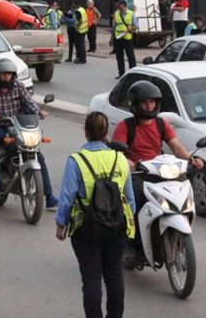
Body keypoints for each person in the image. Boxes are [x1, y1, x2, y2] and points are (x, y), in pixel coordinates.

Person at [111, 81, 204, 266]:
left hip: (159, 170)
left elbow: (176, 147)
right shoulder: (125, 126)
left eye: (153, 102)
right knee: (134, 201)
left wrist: (192, 160)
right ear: (135, 104)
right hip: (137, 173)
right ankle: (131, 243)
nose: (149, 106)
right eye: (145, 102)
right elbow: (118, 155)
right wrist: (131, 164)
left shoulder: (161, 124)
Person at [55, 111, 135, 318]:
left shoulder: (76, 160)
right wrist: (126, 224)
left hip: (86, 229)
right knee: (114, 276)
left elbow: (67, 197)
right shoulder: (120, 159)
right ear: (106, 131)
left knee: (91, 280)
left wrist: (60, 224)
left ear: (86, 132)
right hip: (116, 227)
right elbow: (130, 199)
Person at [0, 58, 59, 208]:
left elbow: (29, 103)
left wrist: (39, 112)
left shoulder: (19, 87)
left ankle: (48, 196)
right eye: (3, 74)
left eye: (9, 74)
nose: (6, 77)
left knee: (38, 155)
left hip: (17, 126)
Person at [110, 0, 137, 79]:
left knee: (130, 56)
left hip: (127, 38)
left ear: (123, 5)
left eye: (119, 5)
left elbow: (136, 26)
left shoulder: (131, 14)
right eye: (117, 5)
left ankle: (133, 74)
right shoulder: (116, 13)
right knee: (119, 56)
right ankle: (121, 73)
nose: (117, 6)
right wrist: (111, 38)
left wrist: (128, 30)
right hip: (118, 38)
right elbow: (115, 26)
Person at [72, 0, 87, 64]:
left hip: (79, 31)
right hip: (84, 30)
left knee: (79, 45)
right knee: (82, 45)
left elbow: (80, 21)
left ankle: (81, 59)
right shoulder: (82, 9)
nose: (73, 5)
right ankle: (83, 58)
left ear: (76, 4)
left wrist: (76, 27)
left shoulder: (78, 11)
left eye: (73, 4)